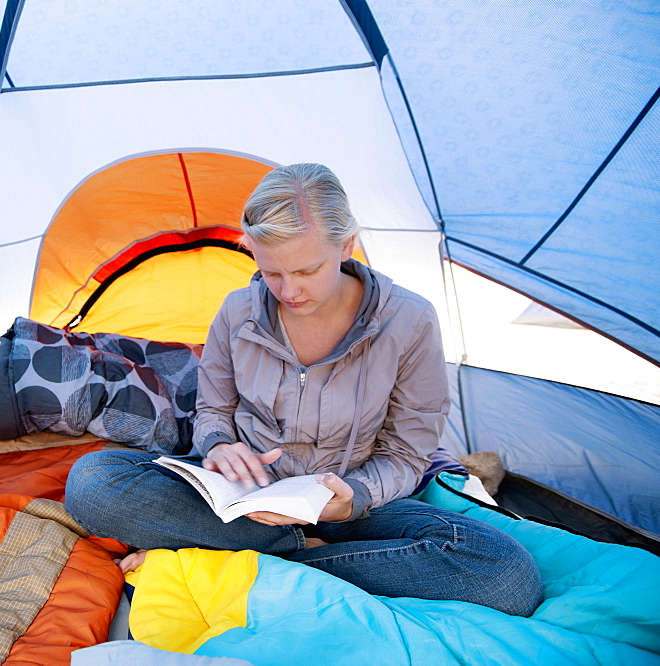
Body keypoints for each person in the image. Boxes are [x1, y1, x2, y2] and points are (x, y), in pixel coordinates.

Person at [65, 163, 543, 616]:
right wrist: (219, 445)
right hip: (244, 499)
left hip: (354, 505)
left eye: (307, 271)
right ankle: (291, 550)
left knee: (505, 575)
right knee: (92, 483)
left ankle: (250, 556)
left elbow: (408, 450)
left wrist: (351, 495)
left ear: (347, 247)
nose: (288, 291)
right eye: (271, 272)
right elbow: (212, 409)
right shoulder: (237, 311)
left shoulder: (410, 320)